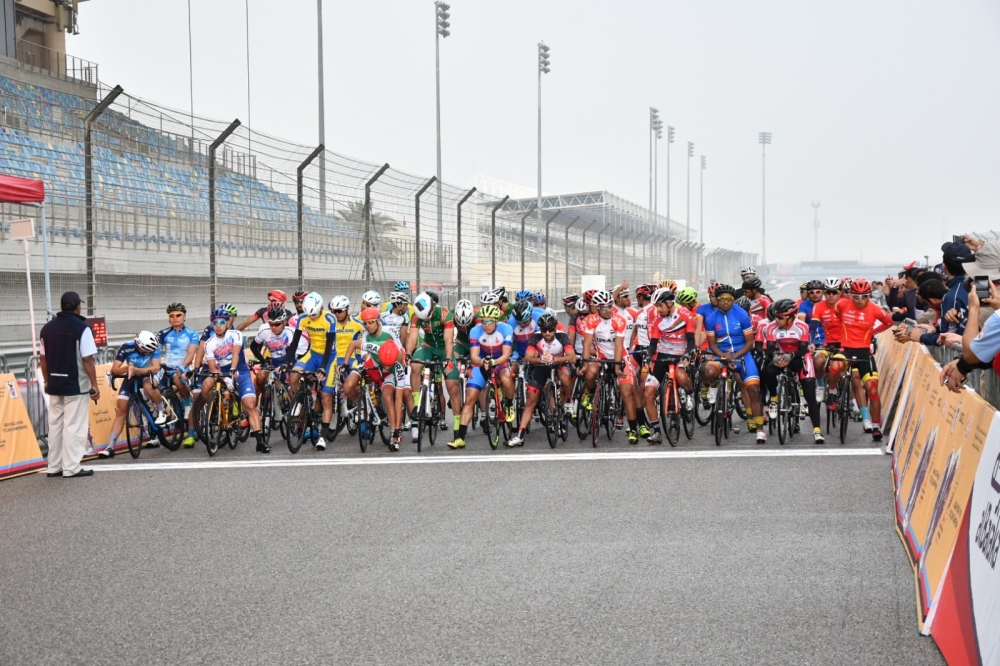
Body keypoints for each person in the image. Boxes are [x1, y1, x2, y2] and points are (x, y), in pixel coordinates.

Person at [39, 291, 100, 478]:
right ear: (77, 307)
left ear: (61, 306)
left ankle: (54, 466)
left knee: (55, 425)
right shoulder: (82, 328)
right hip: (75, 384)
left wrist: (47, 380)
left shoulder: (46, 329)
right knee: (73, 425)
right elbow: (88, 360)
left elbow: (43, 359)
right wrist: (95, 385)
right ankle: (71, 467)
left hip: (54, 384)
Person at [702, 284, 766, 442]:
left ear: (733, 300)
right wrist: (724, 356)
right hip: (721, 354)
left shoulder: (742, 315)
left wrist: (734, 356)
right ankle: (715, 391)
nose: (725, 302)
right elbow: (712, 345)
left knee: (753, 389)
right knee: (707, 371)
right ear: (716, 300)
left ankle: (759, 429)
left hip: (742, 354)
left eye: (729, 299)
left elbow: (749, 343)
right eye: (722, 299)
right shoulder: (711, 319)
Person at [448, 304, 515, 449]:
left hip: (500, 361)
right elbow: (474, 356)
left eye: (489, 321)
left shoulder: (506, 329)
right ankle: (460, 438)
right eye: (483, 321)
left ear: (497, 321)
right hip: (481, 363)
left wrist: (493, 362)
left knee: (506, 378)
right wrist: (482, 361)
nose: (485, 325)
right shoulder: (475, 331)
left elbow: (506, 355)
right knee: (470, 398)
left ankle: (509, 405)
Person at [835, 278, 894, 440]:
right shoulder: (842, 304)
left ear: (869, 296)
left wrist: (873, 333)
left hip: (864, 352)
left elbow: (889, 322)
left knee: (873, 391)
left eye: (864, 297)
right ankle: (833, 391)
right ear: (851, 295)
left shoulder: (875, 309)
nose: (860, 300)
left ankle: (875, 426)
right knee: (833, 366)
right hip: (846, 349)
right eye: (856, 297)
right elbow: (836, 313)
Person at [761, 299, 825, 444]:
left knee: (809, 393)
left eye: (779, 317)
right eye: (775, 316)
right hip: (782, 356)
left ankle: (817, 430)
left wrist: (790, 356)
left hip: (799, 357)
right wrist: (777, 357)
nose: (776, 320)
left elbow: (803, 349)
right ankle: (774, 398)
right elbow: (770, 349)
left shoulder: (801, 327)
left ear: (790, 317)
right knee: (768, 370)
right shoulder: (771, 327)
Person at [508, 313, 575, 446]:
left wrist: (555, 359)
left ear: (555, 329)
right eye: (544, 330)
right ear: (540, 330)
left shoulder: (562, 337)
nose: (548, 333)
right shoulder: (536, 338)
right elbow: (528, 358)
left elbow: (572, 358)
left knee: (566, 377)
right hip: (542, 366)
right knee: (531, 400)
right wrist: (539, 359)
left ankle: (567, 402)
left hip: (559, 364)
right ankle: (520, 435)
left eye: (550, 329)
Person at [642, 289, 695, 444]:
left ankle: (689, 394)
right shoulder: (658, 321)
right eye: (657, 306)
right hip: (662, 356)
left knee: (680, 376)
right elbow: (653, 344)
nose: (658, 310)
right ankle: (657, 431)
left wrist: (688, 354)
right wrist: (647, 357)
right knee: (648, 392)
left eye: (660, 306)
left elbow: (691, 340)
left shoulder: (685, 315)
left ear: (670, 303)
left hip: (680, 355)